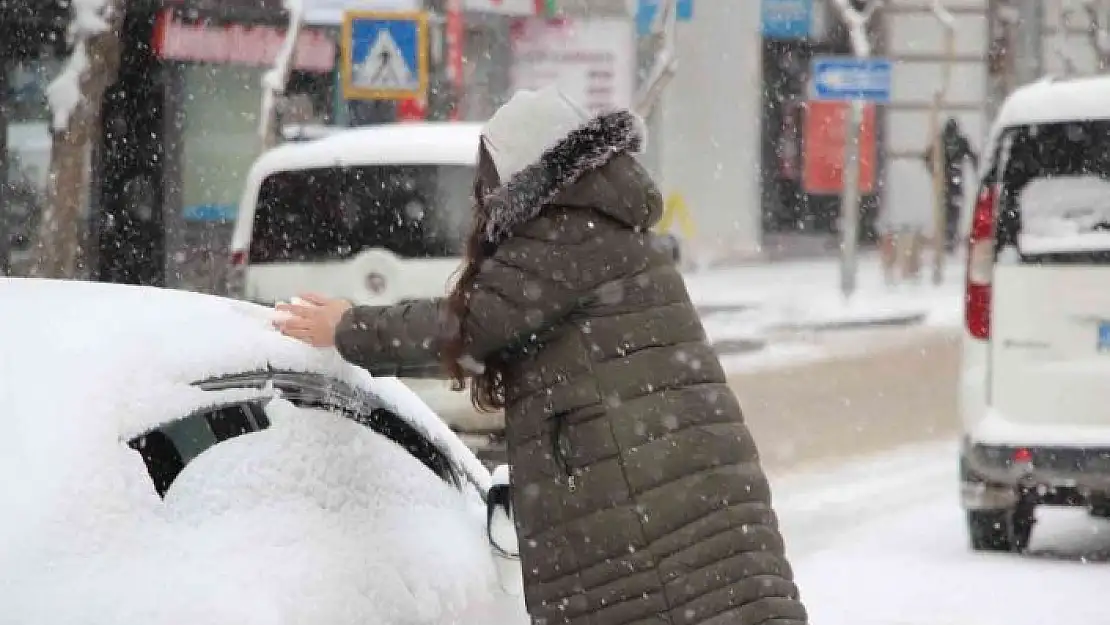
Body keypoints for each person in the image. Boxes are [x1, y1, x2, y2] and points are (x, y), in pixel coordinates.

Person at [275, 86, 809, 625]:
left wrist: (347, 326)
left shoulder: (565, 236)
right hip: (697, 522)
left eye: (486, 181)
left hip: (651, 540)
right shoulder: (612, 231)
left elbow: (466, 326)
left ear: (517, 176)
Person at [924, 117, 980, 251]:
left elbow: (926, 157)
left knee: (947, 210)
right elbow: (973, 158)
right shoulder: (959, 141)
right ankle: (950, 237)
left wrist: (934, 171)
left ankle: (948, 238)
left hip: (946, 180)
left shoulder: (941, 141)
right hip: (954, 180)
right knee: (954, 210)